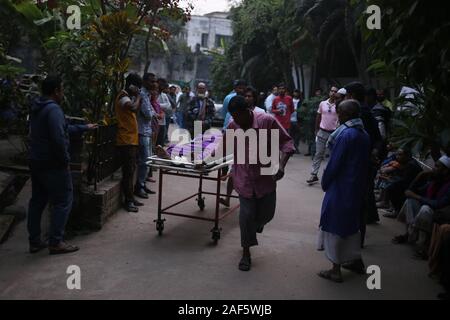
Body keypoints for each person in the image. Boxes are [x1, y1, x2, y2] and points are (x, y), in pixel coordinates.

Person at [28, 75, 97, 254]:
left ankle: (34, 241)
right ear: (57, 91)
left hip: (36, 161)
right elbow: (59, 138)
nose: (63, 93)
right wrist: (65, 161)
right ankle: (56, 241)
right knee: (63, 200)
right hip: (53, 163)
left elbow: (64, 130)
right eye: (62, 89)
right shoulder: (54, 110)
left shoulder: (38, 107)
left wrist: (84, 128)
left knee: (37, 201)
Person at [226, 95, 295, 271]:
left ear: (247, 111)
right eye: (232, 117)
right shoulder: (234, 126)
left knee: (267, 215)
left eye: (237, 116)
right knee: (246, 216)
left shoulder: (267, 121)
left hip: (265, 177)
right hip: (244, 178)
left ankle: (256, 226)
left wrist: (281, 166)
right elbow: (227, 149)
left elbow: (287, 142)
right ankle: (246, 253)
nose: (235, 120)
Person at [317, 99, 370, 283]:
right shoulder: (363, 134)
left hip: (341, 187)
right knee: (351, 226)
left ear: (345, 114)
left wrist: (325, 181)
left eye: (339, 112)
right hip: (356, 186)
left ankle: (335, 269)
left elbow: (335, 163)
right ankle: (354, 260)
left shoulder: (345, 135)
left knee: (334, 226)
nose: (337, 115)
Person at [344, 82, 383, 245]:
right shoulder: (366, 111)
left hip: (357, 165)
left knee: (357, 201)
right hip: (363, 163)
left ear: (351, 95)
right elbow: (378, 138)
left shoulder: (357, 113)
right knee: (363, 197)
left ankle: (356, 239)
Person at [393, 156, 450, 254]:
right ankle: (409, 234)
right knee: (410, 201)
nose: (433, 169)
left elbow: (439, 204)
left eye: (437, 167)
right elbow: (411, 191)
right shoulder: (434, 181)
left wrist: (417, 197)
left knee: (425, 209)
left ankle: (423, 244)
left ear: (445, 171)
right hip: (428, 211)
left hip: (441, 216)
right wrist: (419, 176)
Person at [220, 86, 265, 207]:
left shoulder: (262, 114)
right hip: (240, 152)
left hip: (257, 155)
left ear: (255, 98)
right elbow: (225, 140)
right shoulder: (234, 118)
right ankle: (228, 198)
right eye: (245, 96)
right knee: (234, 174)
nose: (247, 98)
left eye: (250, 96)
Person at [116, 73, 143, 213]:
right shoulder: (123, 96)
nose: (138, 90)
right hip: (125, 140)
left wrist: (139, 99)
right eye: (137, 87)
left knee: (131, 170)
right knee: (128, 172)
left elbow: (135, 110)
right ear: (132, 85)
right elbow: (131, 107)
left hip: (131, 139)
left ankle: (131, 197)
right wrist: (138, 97)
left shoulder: (129, 97)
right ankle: (128, 201)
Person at [306, 86, 339, 184]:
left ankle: (329, 176)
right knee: (318, 154)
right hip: (322, 131)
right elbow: (318, 116)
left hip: (334, 133)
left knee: (332, 155)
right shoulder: (323, 103)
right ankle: (313, 174)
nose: (333, 93)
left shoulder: (339, 105)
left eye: (335, 91)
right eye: (331, 91)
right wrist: (316, 129)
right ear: (329, 92)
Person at [135, 73, 157, 199]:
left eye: (154, 81)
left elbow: (152, 111)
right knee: (144, 161)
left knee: (147, 161)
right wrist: (153, 114)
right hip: (142, 131)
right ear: (144, 82)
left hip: (147, 131)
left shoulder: (147, 94)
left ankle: (142, 184)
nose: (153, 84)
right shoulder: (142, 94)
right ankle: (139, 186)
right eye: (151, 81)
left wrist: (154, 114)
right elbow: (148, 114)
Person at [156, 78, 173, 146]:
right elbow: (153, 105)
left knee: (160, 142)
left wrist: (158, 105)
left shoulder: (164, 95)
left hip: (162, 122)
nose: (162, 86)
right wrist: (161, 106)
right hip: (155, 122)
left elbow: (168, 106)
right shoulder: (153, 94)